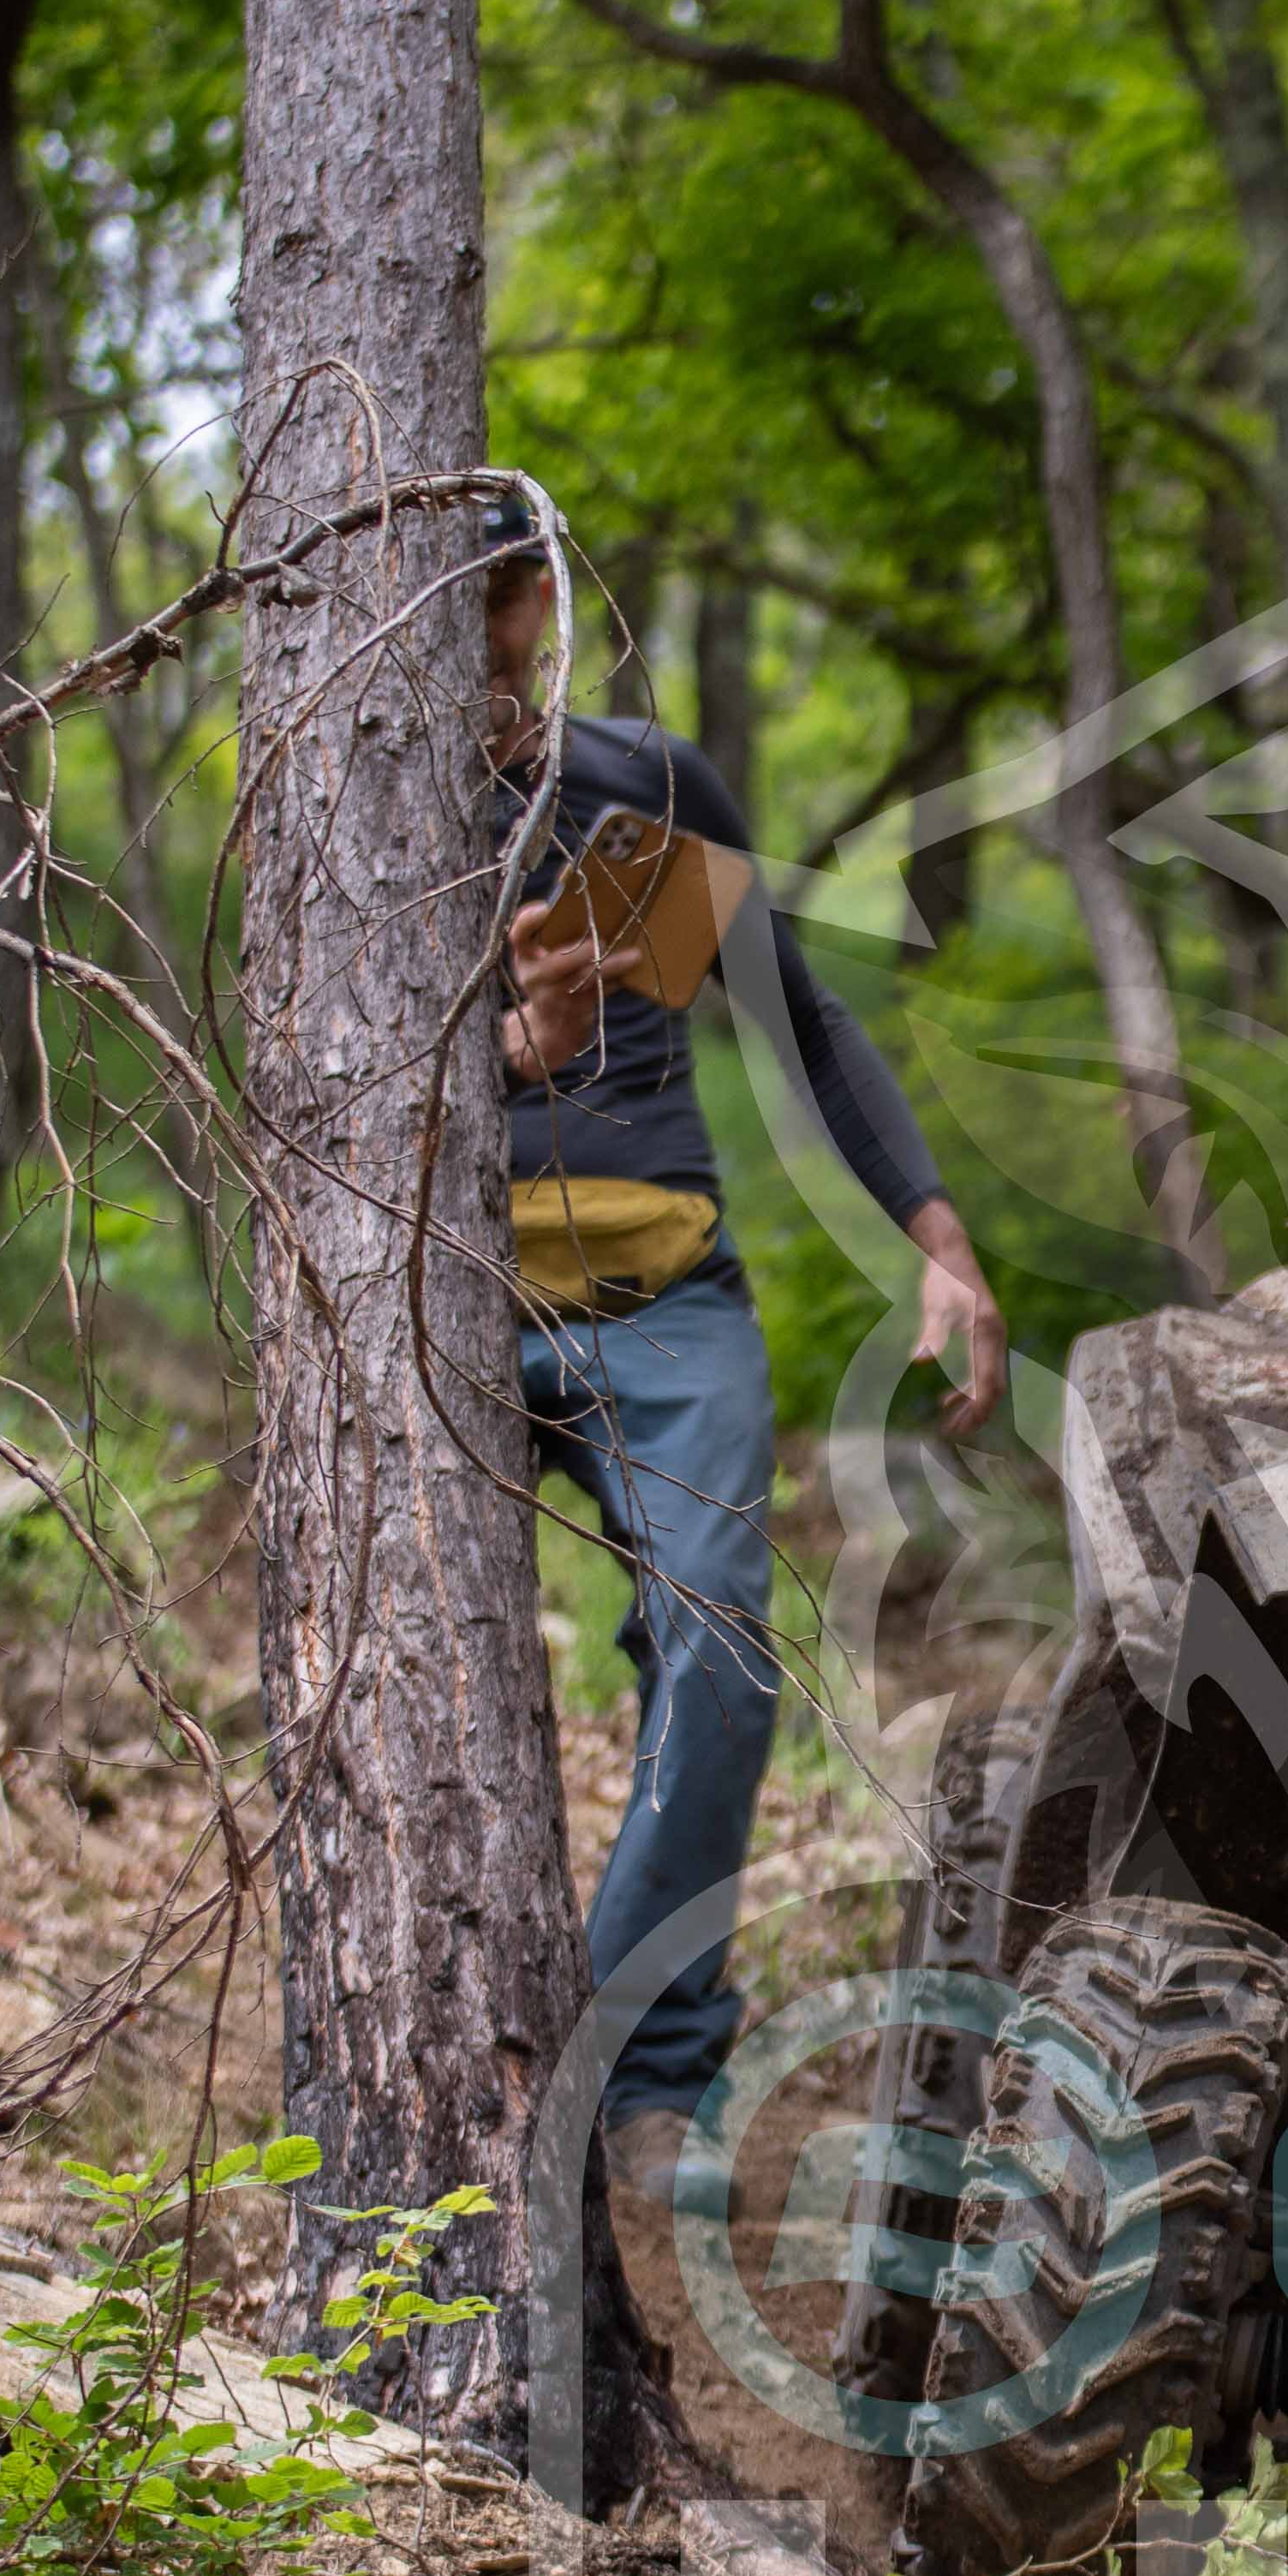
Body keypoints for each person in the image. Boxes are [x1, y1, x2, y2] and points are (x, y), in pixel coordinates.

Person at [480, 511, 1005, 2139]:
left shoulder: (639, 786)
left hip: (664, 1298)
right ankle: (464, 2052)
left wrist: (938, 1242)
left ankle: (636, 2073)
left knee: (719, 1648)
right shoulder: (348, 815)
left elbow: (799, 1019)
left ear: (538, 603)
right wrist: (519, 1048)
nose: (468, 640)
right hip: (435, 1302)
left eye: (494, 600)